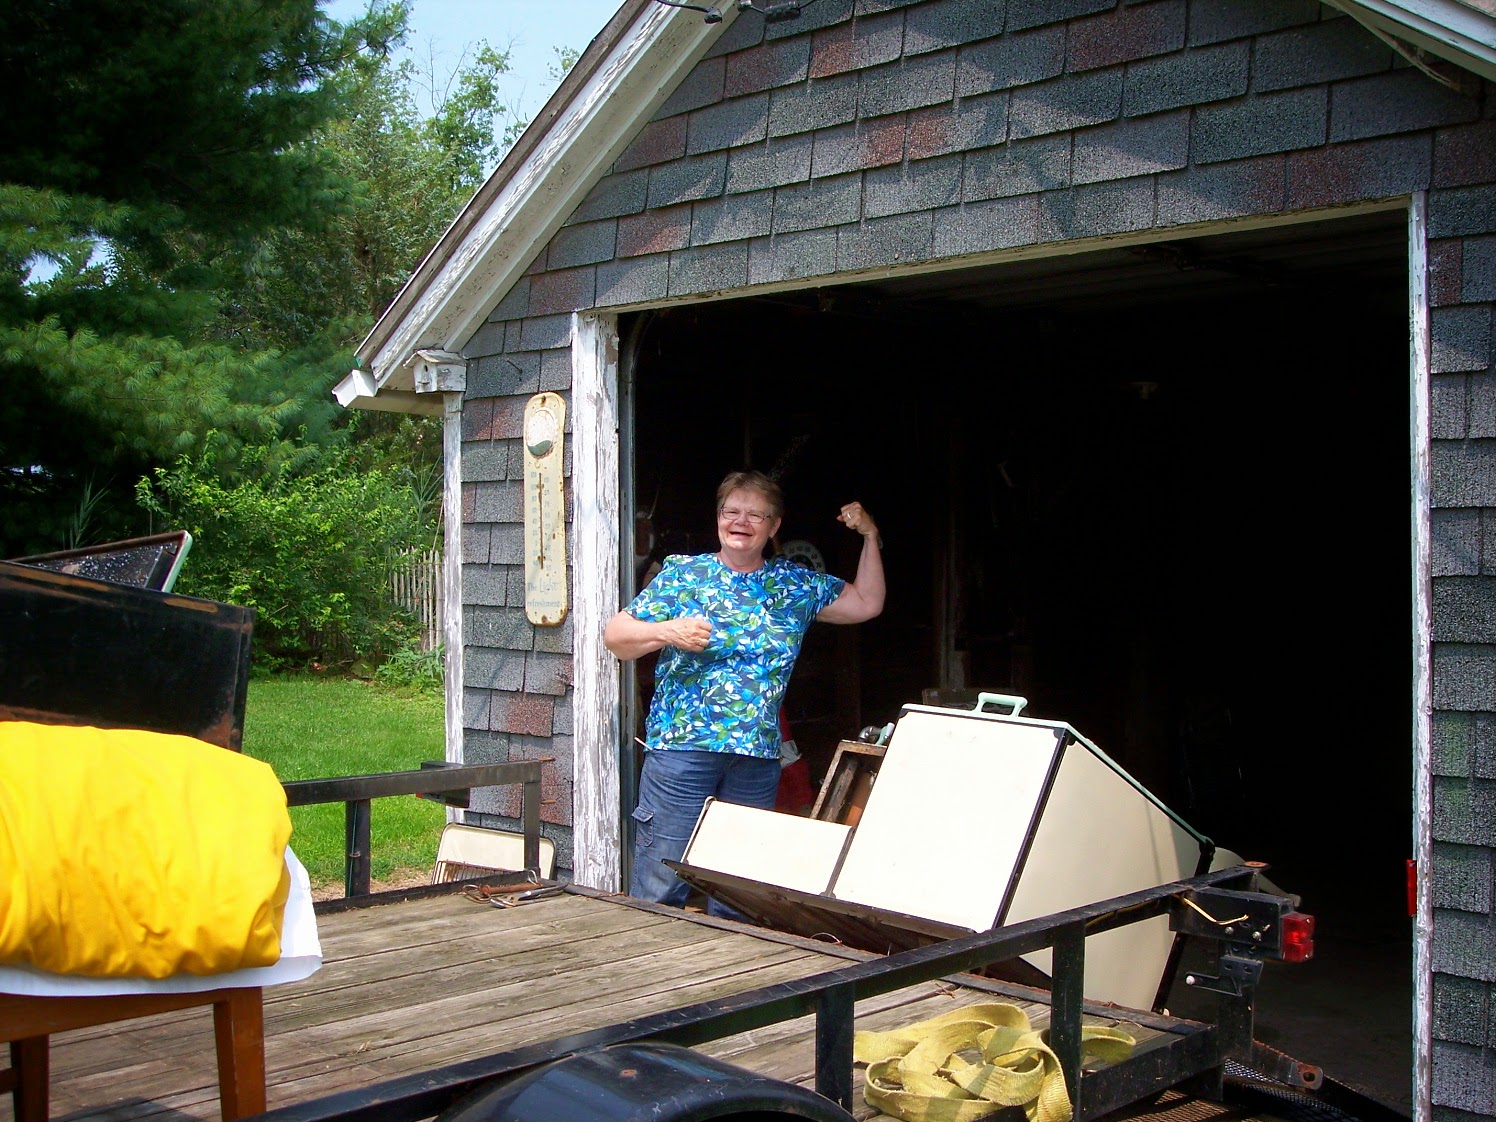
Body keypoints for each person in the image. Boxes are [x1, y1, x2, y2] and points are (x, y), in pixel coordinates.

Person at [604, 470, 885, 915]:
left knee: (736, 886)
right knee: (661, 881)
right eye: (732, 511)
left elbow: (868, 603)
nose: (742, 521)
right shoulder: (684, 574)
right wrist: (668, 631)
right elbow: (616, 636)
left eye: (757, 514)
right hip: (682, 751)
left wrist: (870, 535)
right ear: (718, 518)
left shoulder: (794, 585)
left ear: (774, 527)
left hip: (755, 758)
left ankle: (731, 979)